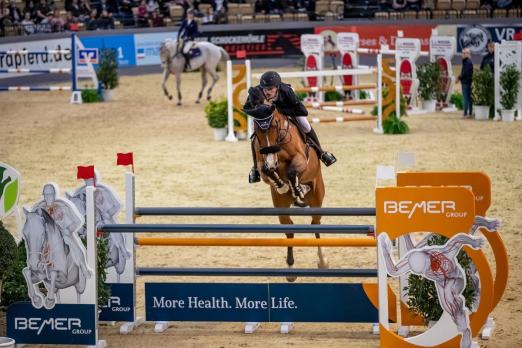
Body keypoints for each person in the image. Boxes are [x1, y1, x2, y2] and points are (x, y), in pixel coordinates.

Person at [379, 232, 484, 348]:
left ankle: (465, 327)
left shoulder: (443, 252)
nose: (428, 270)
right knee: (451, 308)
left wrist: (472, 241)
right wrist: (385, 250)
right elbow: (393, 271)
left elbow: (458, 239)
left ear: (427, 255)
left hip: (456, 278)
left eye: (428, 265)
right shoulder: (411, 260)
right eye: (425, 270)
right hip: (441, 284)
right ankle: (464, 330)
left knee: (449, 294)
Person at [243, 71, 337, 184]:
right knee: (254, 136)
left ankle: (321, 153)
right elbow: (247, 107)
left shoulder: (287, 91)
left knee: (305, 125)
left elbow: (302, 111)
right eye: (265, 89)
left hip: (288, 112)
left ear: (277, 87)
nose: (267, 92)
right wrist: (259, 108)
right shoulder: (257, 92)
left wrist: (279, 110)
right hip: (265, 118)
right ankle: (255, 169)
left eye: (270, 89)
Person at [33, 184, 91, 281]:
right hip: (45, 237)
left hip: (63, 235)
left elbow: (77, 221)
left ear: (54, 194)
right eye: (46, 195)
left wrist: (68, 230)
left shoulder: (62, 206)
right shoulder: (39, 208)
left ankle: (83, 267)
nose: (48, 197)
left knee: (73, 244)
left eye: (50, 194)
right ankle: (37, 269)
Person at [456, 48, 473, 119]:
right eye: (462, 53)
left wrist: (458, 78)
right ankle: (469, 113)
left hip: (466, 82)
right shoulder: (466, 62)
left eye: (464, 53)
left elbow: (464, 73)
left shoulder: (467, 62)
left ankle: (466, 113)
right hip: (466, 81)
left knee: (466, 98)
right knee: (468, 98)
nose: (462, 55)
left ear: (468, 54)